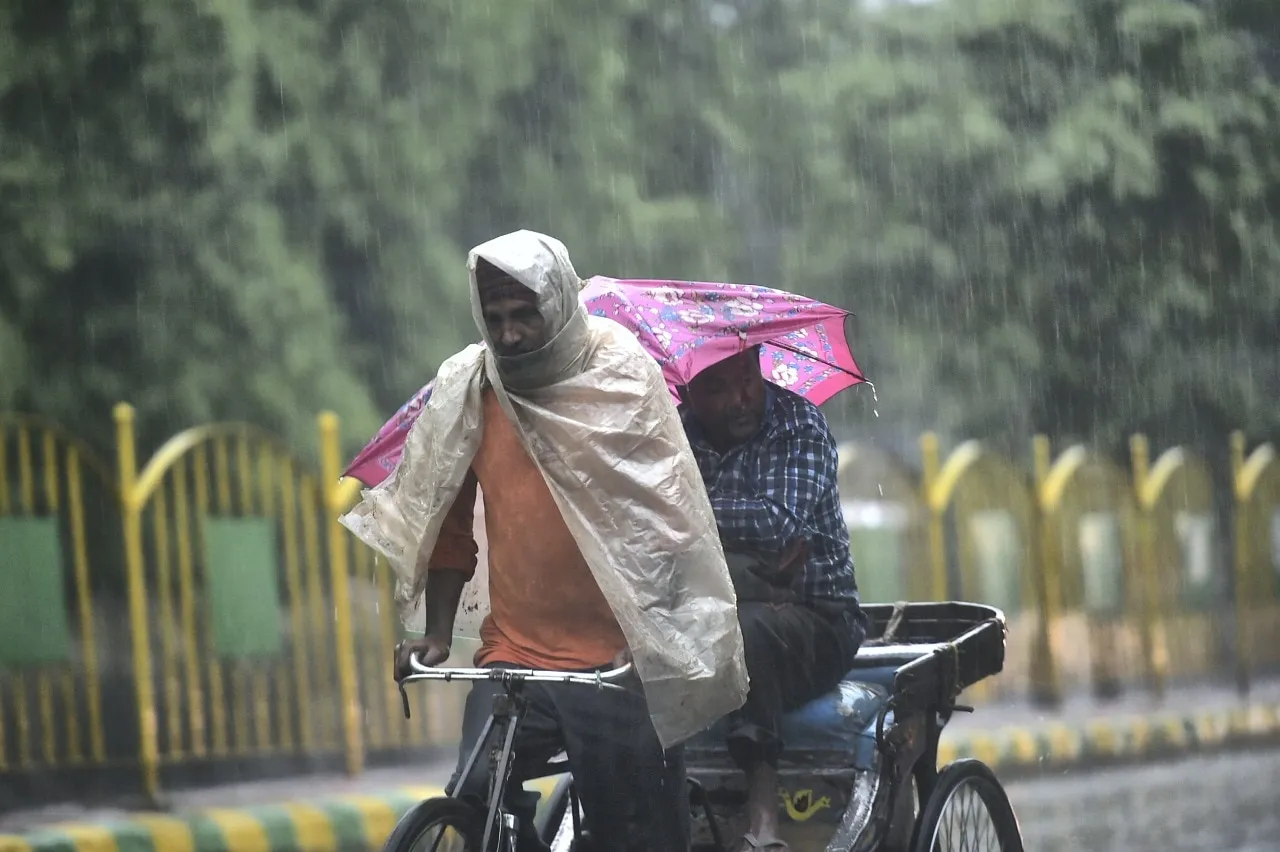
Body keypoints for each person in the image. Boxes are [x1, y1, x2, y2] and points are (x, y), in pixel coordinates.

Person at [341, 230, 747, 852]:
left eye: (523, 315)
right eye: (495, 318)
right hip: (515, 655)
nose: (507, 335)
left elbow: (670, 525)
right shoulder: (471, 389)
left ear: (557, 304)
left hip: (614, 663)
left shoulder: (620, 375)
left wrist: (654, 641)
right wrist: (438, 635)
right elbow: (449, 528)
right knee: (476, 791)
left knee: (630, 833)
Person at [679, 346, 868, 852]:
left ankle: (763, 817)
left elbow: (774, 523)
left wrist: (685, 516)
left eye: (746, 379)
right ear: (688, 391)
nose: (740, 399)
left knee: (745, 628)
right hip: (708, 610)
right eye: (717, 388)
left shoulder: (799, 426)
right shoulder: (674, 434)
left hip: (818, 619)